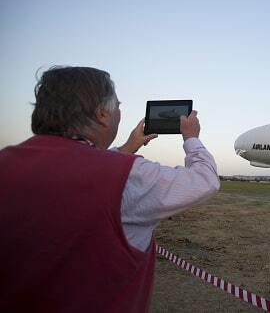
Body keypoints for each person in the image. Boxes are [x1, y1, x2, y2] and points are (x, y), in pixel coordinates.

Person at [0, 66, 220, 312]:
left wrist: (129, 145)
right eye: (118, 105)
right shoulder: (128, 175)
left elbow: (77, 165)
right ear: (102, 114)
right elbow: (205, 179)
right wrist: (191, 137)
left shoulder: (6, 162)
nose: (119, 112)